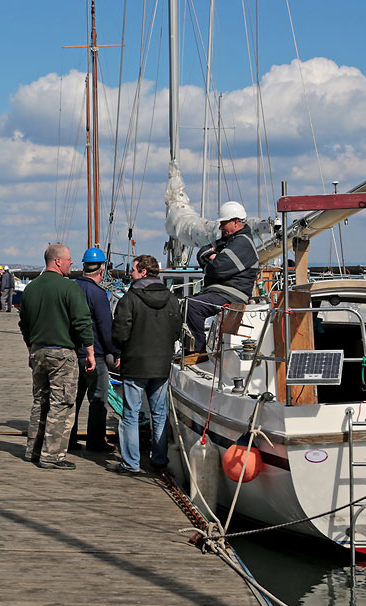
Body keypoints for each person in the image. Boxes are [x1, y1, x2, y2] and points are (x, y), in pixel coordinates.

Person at [19, 243, 96, 470]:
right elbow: (82, 322)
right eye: (69, 259)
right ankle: (51, 455)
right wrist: (90, 352)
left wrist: (30, 348)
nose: (73, 263)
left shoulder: (31, 288)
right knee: (61, 404)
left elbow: (24, 323)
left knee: (39, 402)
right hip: (62, 353)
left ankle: (33, 449)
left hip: (39, 351)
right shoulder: (69, 288)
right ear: (58, 261)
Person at [110, 254, 182, 474]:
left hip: (136, 364)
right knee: (159, 414)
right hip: (161, 364)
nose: (129, 273)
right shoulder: (171, 299)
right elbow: (177, 331)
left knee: (131, 414)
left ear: (142, 272)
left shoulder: (129, 299)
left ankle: (130, 463)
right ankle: (159, 459)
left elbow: (120, 334)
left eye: (132, 270)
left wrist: (122, 349)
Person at [183, 201, 257, 354]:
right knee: (187, 305)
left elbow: (216, 269)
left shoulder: (242, 243)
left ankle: (197, 351)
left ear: (236, 222)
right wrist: (212, 258)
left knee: (192, 305)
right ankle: (193, 348)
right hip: (221, 292)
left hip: (231, 294)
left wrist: (211, 262)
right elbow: (202, 253)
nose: (221, 227)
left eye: (224, 223)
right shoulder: (230, 241)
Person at [69, 247, 121, 453]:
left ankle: (69, 439)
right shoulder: (98, 294)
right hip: (95, 354)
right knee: (98, 399)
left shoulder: (72, 288)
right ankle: (96, 441)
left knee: (73, 399)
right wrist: (115, 351)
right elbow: (105, 326)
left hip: (73, 353)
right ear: (102, 269)